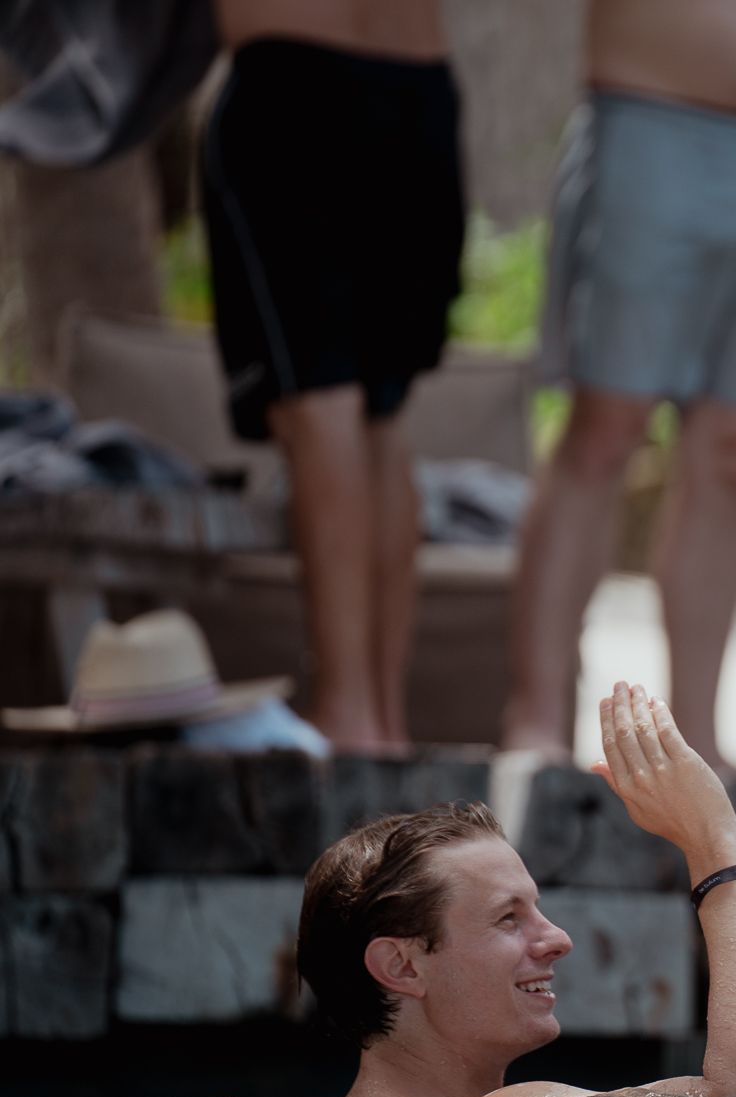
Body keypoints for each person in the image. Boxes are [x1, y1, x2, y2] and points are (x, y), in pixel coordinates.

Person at [502, 0, 736, 768]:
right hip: (649, 114)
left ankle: (696, 741)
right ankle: (538, 718)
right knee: (606, 425)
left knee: (735, 449)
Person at [297, 682, 736, 1097]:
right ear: (402, 966)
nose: (559, 940)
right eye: (508, 918)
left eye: (537, 910)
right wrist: (715, 840)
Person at [201, 0, 466, 755]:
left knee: (320, 410)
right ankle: (381, 722)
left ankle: (348, 717)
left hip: (295, 75)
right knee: (381, 416)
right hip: (420, 87)